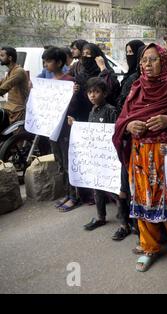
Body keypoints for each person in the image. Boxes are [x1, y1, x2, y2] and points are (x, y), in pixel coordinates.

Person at [113, 43, 167, 275]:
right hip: (140, 156)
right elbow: (122, 120)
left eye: (153, 60)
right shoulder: (136, 88)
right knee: (143, 202)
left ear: (165, 62)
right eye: (143, 61)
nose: (146, 65)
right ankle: (149, 247)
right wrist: (129, 126)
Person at [67, 77, 118, 231]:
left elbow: (116, 132)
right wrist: (75, 125)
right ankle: (100, 216)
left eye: (96, 91)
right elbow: (90, 132)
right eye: (89, 92)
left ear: (105, 93)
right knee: (98, 188)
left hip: (110, 158)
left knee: (116, 190)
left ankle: (125, 221)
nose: (92, 95)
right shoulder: (92, 111)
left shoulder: (111, 110)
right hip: (97, 159)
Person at [114, 40, 145, 241]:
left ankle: (140, 225)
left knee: (141, 188)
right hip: (128, 141)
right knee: (125, 186)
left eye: (132, 53)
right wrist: (126, 126)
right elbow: (122, 109)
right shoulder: (132, 81)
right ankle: (124, 222)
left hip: (148, 144)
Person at [38, 47, 76, 212]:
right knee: (60, 162)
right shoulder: (49, 83)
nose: (45, 64)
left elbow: (73, 107)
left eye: (48, 61)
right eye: (44, 61)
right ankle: (68, 193)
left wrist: (73, 94)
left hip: (65, 131)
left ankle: (74, 196)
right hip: (52, 129)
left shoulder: (69, 81)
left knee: (68, 162)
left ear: (59, 62)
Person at [0, 46, 29, 125]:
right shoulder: (11, 71)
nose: (0, 58)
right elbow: (2, 83)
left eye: (2, 56)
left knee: (15, 135)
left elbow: (3, 88)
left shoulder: (18, 71)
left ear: (10, 58)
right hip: (9, 108)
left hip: (17, 111)